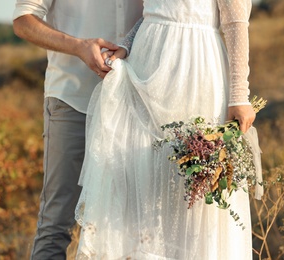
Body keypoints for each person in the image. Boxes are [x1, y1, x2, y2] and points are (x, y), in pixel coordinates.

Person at [75, 0, 262, 259]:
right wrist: (127, 44)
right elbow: (153, 11)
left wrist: (240, 95)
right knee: (141, 178)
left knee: (191, 190)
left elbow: (236, 21)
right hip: (146, 67)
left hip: (196, 69)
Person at [12, 1, 143, 259]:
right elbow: (23, 20)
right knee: (56, 224)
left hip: (135, 103)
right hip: (72, 101)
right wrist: (79, 46)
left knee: (132, 229)